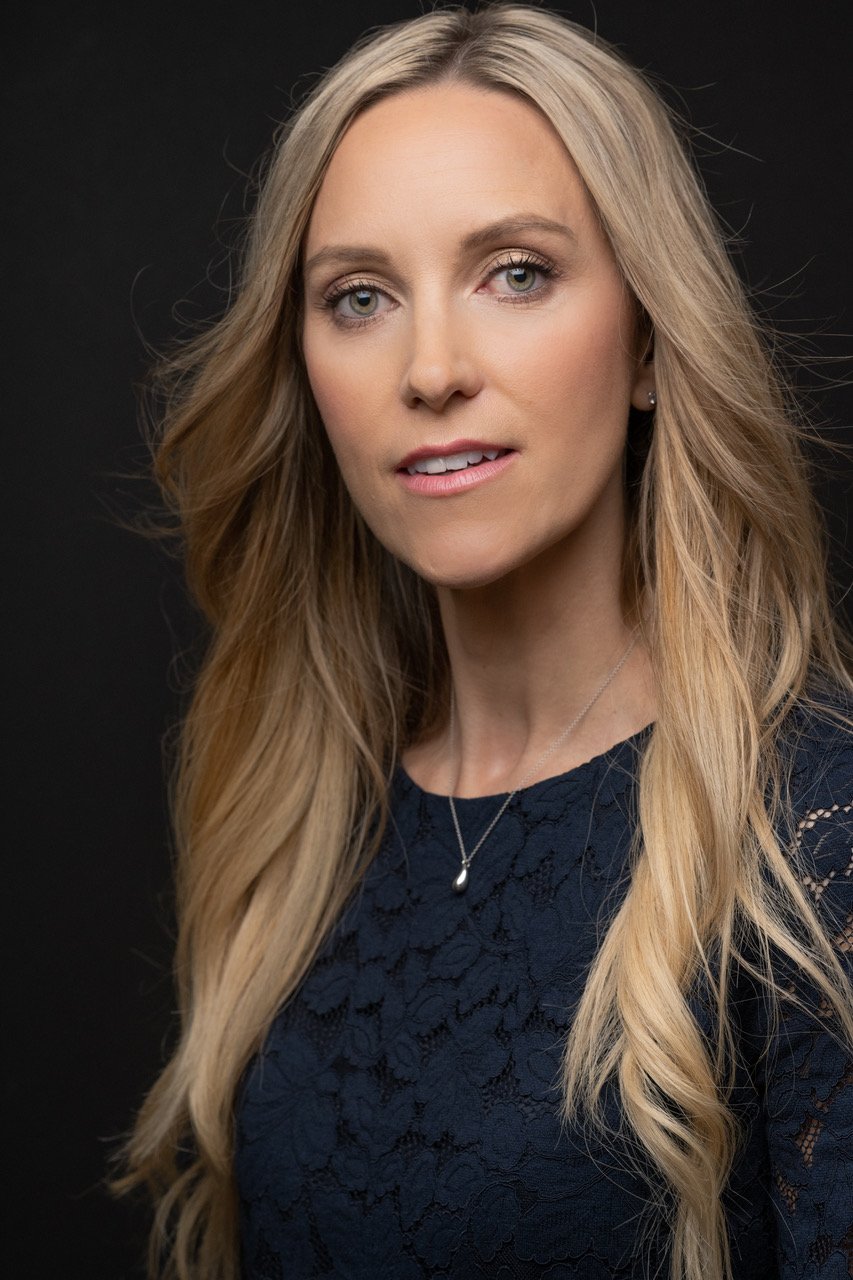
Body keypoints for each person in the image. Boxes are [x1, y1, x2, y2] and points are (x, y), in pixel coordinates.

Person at [116, 5, 853, 1278]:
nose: (431, 367)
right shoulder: (305, 816)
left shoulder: (811, 822)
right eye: (359, 297)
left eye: (516, 271)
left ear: (645, 339)